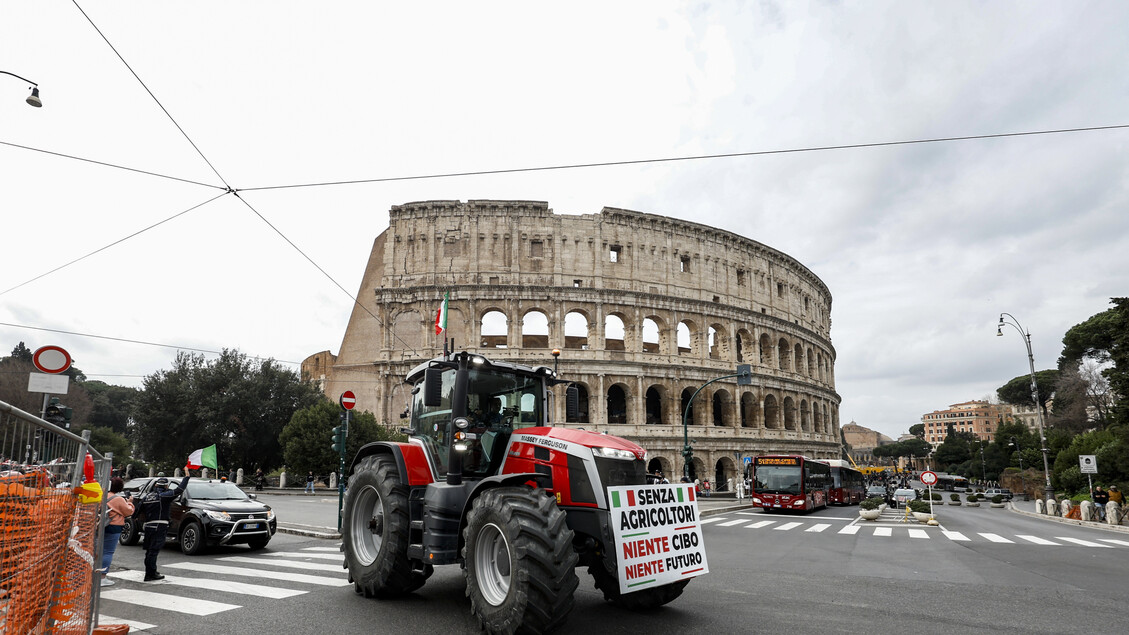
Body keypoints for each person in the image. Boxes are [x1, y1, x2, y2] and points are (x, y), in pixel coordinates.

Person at [140, 474, 190, 581]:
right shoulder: (164, 496)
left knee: (149, 551)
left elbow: (137, 513)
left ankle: (150, 571)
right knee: (153, 551)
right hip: (159, 526)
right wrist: (186, 477)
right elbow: (179, 489)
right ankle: (150, 574)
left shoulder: (147, 496)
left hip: (148, 526)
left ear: (156, 485)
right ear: (166, 486)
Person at [100, 477, 134, 587]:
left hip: (100, 525)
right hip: (114, 526)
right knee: (108, 552)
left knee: (97, 550)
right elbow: (128, 512)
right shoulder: (118, 499)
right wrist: (130, 503)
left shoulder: (101, 495)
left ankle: (93, 574)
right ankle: (102, 577)